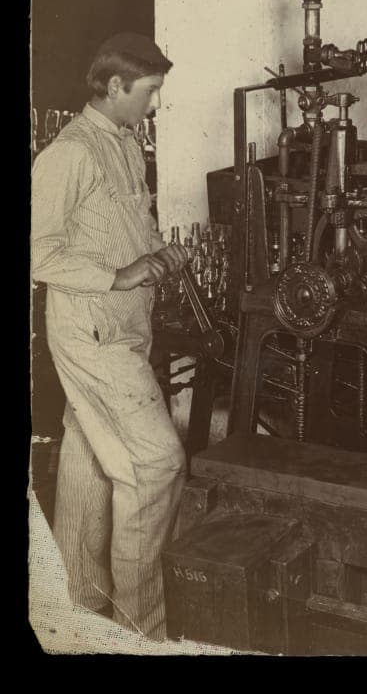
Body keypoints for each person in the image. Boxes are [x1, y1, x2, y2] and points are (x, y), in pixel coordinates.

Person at [31, 33, 190, 641]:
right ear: (115, 86)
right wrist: (118, 274)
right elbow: (38, 252)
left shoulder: (123, 144)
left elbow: (123, 227)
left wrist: (156, 253)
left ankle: (73, 612)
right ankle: (138, 632)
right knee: (156, 464)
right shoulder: (68, 154)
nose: (155, 105)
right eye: (149, 93)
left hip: (124, 325)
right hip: (89, 326)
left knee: (91, 457)